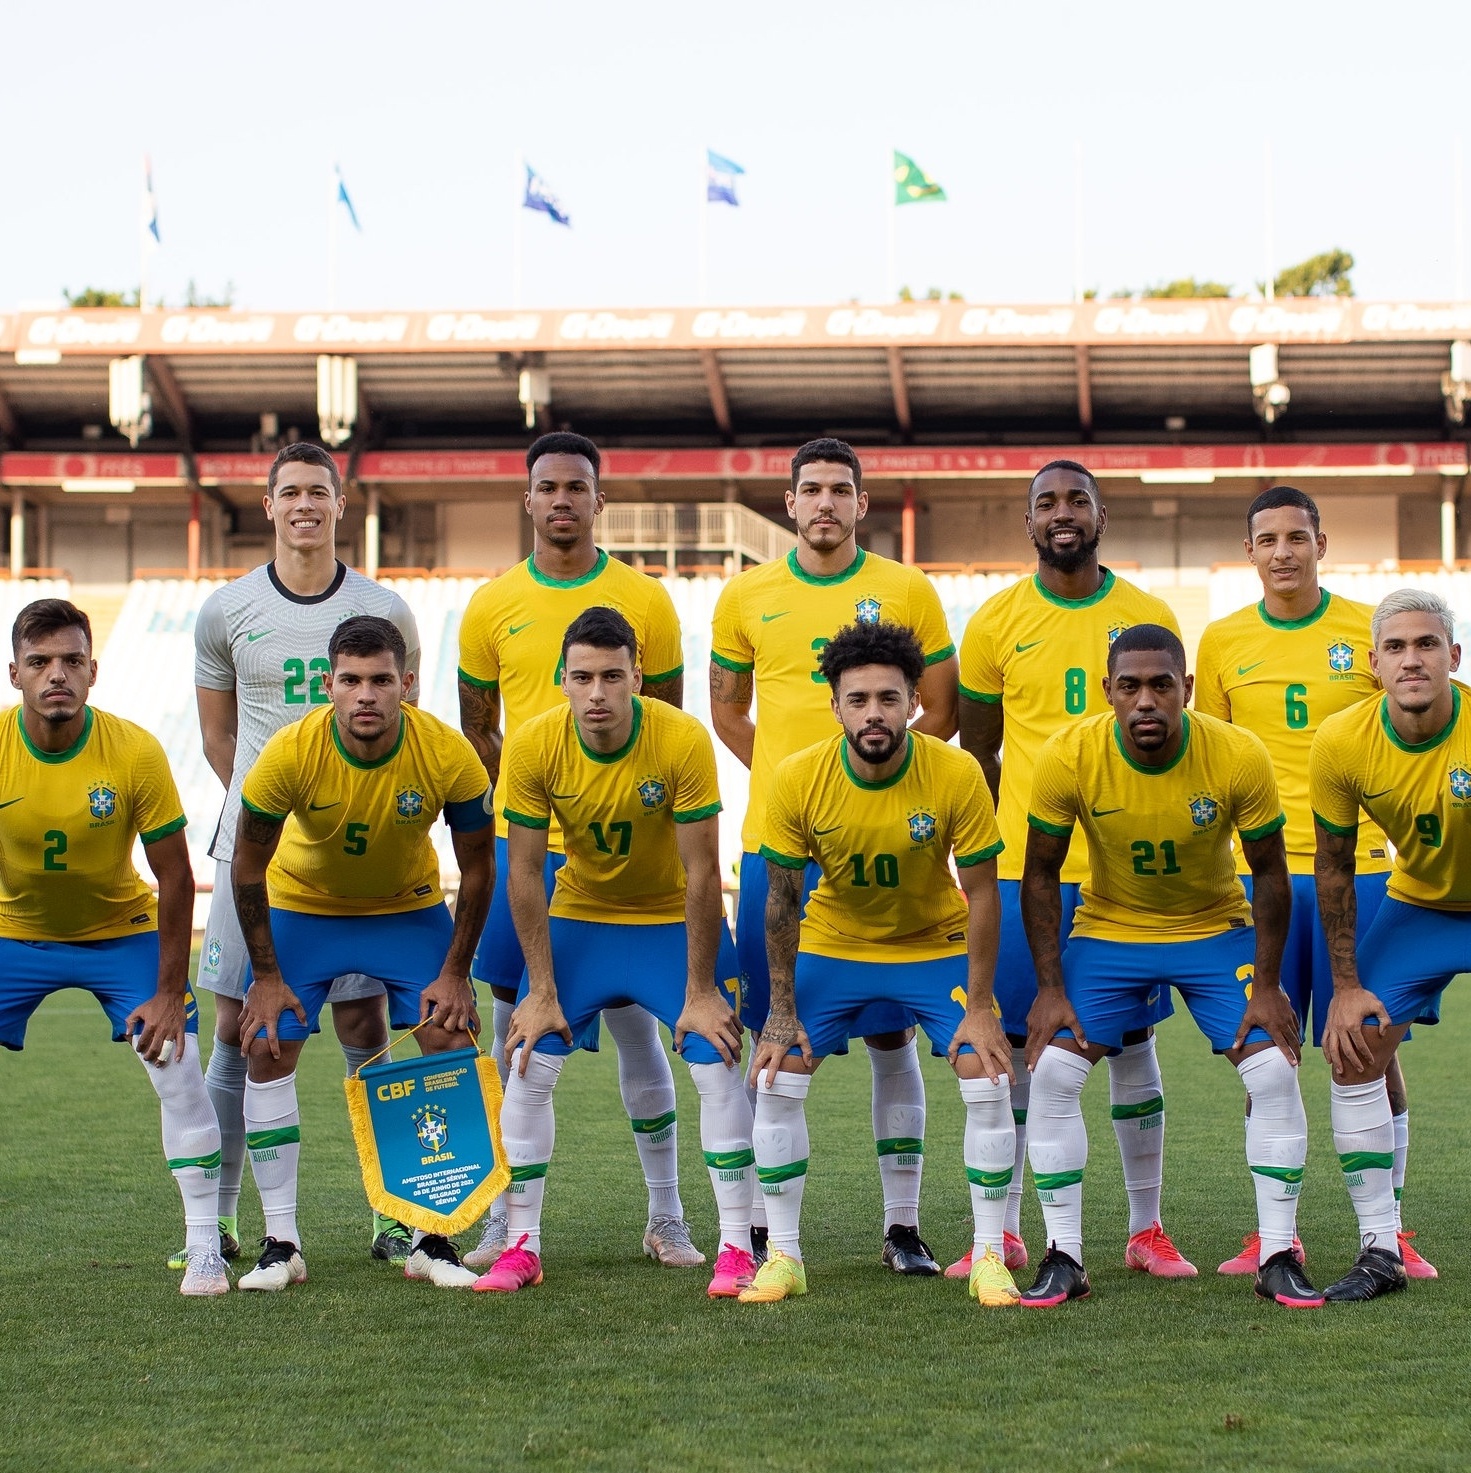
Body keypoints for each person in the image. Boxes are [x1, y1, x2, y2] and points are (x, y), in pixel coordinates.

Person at [710, 437, 960, 1275]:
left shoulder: (906, 589)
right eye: (810, 489)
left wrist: (865, 793)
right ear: (788, 503)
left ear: (862, 503)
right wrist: (805, 793)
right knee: (771, 1038)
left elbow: (944, 709)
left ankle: (901, 1227)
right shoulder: (745, 594)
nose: (824, 502)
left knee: (893, 1041)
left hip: (889, 845)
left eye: (840, 490)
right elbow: (726, 710)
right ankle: (754, 1232)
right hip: (779, 847)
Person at [1019, 624, 1321, 1309]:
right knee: (1054, 1071)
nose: (1145, 700)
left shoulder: (1237, 752)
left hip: (1213, 927)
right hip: (1109, 931)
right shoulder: (1068, 753)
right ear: (1108, 692)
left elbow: (1269, 872)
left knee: (1272, 1064)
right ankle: (1063, 1254)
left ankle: (1278, 1251)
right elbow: (1039, 874)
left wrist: (1268, 986)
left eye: (1161, 684)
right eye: (1130, 686)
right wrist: (1048, 988)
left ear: (1185, 688)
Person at [457, 431, 702, 1272]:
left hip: (629, 860)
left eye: (576, 487)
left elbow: (662, 722)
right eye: (546, 486)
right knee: (514, 1028)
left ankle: (665, 1215)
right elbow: (478, 724)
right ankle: (505, 1217)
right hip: (531, 846)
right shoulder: (492, 603)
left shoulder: (647, 600)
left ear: (601, 500)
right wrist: (535, 797)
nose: (561, 498)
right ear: (527, 500)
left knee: (639, 1029)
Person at [474, 607, 753, 1297]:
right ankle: (521, 1243)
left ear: (636, 677)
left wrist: (699, 989)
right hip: (584, 917)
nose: (596, 692)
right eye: (581, 677)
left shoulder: (681, 739)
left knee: (714, 1057)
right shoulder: (536, 744)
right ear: (561, 679)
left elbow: (700, 872)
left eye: (610, 676)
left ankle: (732, 1244)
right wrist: (539, 988)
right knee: (527, 1056)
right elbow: (524, 872)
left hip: (668, 922)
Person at [740, 620, 1019, 1308]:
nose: (873, 713)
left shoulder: (954, 771)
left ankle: (988, 1255)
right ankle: (783, 1256)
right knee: (776, 1073)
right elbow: (780, 900)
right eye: (858, 698)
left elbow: (983, 893)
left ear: (913, 701)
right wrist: (779, 1012)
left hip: (931, 941)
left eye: (888, 698)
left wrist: (980, 1006)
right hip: (836, 942)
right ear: (834, 704)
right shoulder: (797, 775)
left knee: (985, 1073)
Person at [956, 459, 1188, 1281]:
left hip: (1125, 877)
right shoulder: (993, 622)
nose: (1063, 513)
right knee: (1020, 1045)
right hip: (1030, 873)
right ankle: (1009, 1229)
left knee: (1131, 1046)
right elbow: (977, 749)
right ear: (1027, 521)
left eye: (1076, 500)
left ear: (1100, 514)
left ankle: (1144, 1227)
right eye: (1047, 502)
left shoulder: (1145, 615)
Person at [193, 440, 422, 1267]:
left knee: (367, 1021)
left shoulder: (384, 607)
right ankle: (215, 1224)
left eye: (317, 492)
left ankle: (393, 1214)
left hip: (356, 856)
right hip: (254, 854)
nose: (303, 505)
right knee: (235, 1026)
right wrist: (273, 816)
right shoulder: (225, 610)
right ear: (268, 504)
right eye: (288, 491)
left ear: (339, 502)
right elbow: (221, 736)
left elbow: (400, 723)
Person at [1194, 486, 1432, 1278]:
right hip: (1258, 876)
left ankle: (1388, 1228)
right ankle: (1276, 1231)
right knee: (1266, 1050)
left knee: (1366, 1046)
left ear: (1321, 544)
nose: (1284, 550)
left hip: (1355, 872)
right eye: (1268, 538)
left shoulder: (1365, 634)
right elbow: (1212, 757)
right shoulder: (1223, 640)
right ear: (1250, 550)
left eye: (1298, 536)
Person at [231, 615, 494, 1291]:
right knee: (265, 1044)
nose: (366, 694)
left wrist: (456, 972)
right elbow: (245, 866)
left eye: (381, 679)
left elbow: (479, 864)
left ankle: (433, 1239)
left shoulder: (446, 753)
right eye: (350, 680)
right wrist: (263, 976)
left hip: (406, 910)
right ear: (329, 684)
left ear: (405, 683)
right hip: (305, 908)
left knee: (448, 1039)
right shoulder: (290, 752)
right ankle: (281, 1242)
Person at [1, 598, 227, 1295]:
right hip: (12, 933)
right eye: (40, 662)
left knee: (177, 1061)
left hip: (119, 934)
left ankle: (204, 1249)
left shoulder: (133, 750)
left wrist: (167, 992)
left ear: (93, 670)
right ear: (15, 673)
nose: (56, 674)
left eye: (70, 660)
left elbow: (173, 877)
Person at [1309, 587, 1469, 1301]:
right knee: (1353, 1046)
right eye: (1396, 647)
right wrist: (1344, 986)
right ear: (1372, 663)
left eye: (1426, 644)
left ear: (1453, 657)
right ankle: (1381, 1247)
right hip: (1420, 906)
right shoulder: (1341, 739)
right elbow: (1334, 867)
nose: (1412, 659)